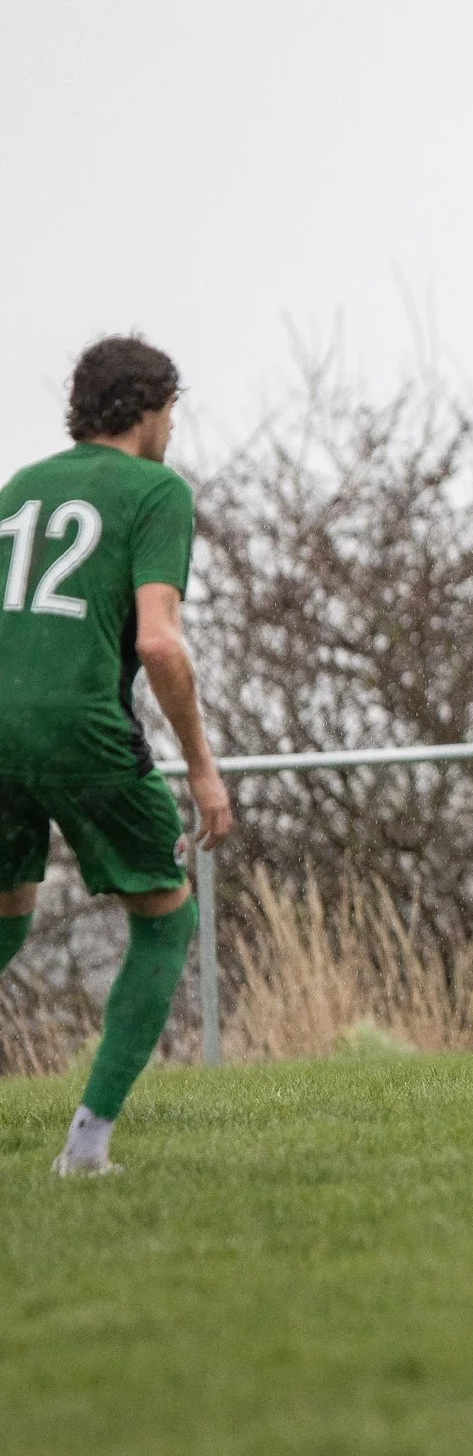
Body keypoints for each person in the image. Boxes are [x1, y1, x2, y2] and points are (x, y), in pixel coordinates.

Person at [0, 336, 234, 1175]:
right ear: (147, 407)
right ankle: (87, 1149)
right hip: (81, 726)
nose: (172, 428)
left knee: (9, 915)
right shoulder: (155, 490)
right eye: (171, 411)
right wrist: (203, 768)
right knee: (167, 920)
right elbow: (162, 646)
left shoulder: (20, 487)